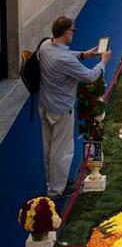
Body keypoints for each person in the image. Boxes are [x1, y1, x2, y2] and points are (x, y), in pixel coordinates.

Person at [38, 16, 111, 198]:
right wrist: (103, 62)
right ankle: (57, 190)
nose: (73, 34)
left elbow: (64, 55)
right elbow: (90, 76)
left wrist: (84, 54)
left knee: (49, 148)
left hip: (46, 104)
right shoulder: (64, 60)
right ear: (65, 33)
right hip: (62, 109)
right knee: (61, 151)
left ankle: (53, 182)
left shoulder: (45, 45)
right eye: (72, 31)